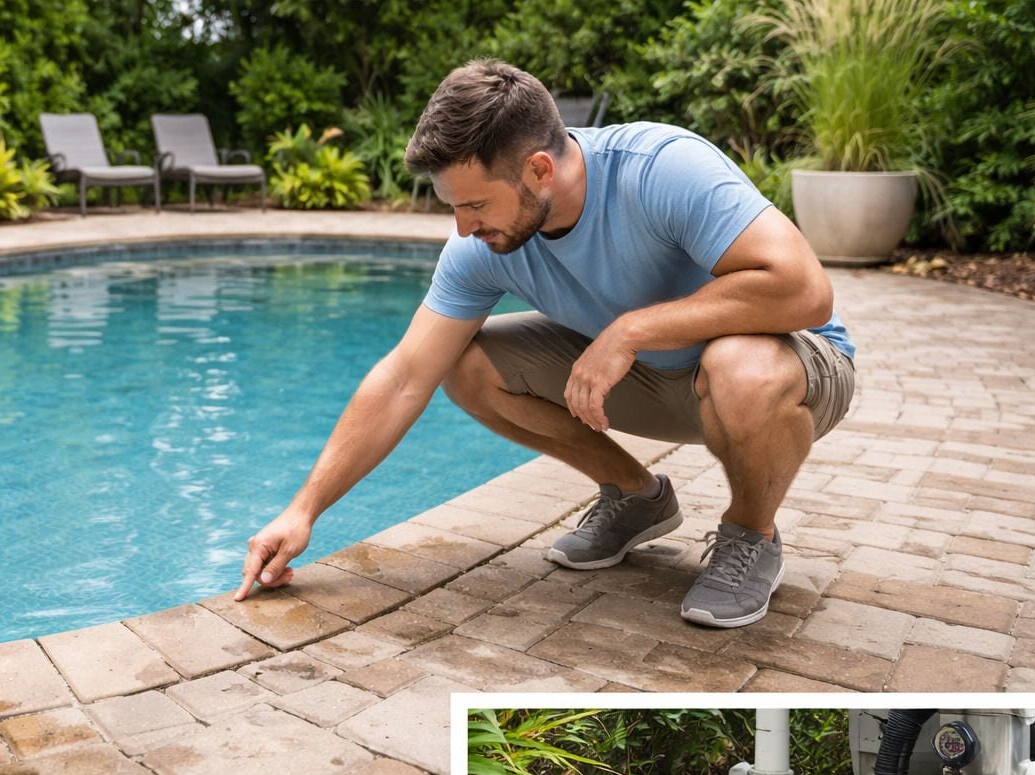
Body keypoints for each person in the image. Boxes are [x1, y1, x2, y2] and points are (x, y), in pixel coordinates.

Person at [235, 59, 854, 629]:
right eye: (454, 207)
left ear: (538, 169)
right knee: (465, 365)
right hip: (656, 384)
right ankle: (636, 498)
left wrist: (630, 331)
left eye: (476, 204)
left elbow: (805, 291)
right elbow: (403, 378)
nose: (464, 227)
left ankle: (751, 534)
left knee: (739, 367)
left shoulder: (661, 167)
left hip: (785, 372)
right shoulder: (481, 245)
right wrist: (303, 510)